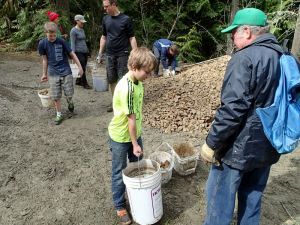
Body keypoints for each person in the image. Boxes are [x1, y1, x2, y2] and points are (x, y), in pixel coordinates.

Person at [200, 8, 282, 225]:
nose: (233, 38)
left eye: (234, 33)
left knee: (219, 204)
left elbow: (233, 108)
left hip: (237, 150)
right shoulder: (284, 56)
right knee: (253, 198)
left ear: (246, 31)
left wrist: (212, 142)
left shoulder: (244, 58)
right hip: (269, 146)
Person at [108, 47, 157, 225]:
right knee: (119, 171)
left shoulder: (138, 83)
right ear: (135, 67)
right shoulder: (127, 87)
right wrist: (135, 144)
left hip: (134, 134)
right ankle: (120, 206)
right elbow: (131, 119)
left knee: (138, 166)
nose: (148, 76)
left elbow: (136, 116)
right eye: (146, 72)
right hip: (121, 137)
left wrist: (136, 140)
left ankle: (135, 194)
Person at [38, 22, 83, 125]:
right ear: (45, 33)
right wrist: (44, 74)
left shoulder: (62, 41)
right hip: (53, 73)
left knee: (69, 92)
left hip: (66, 71)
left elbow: (72, 54)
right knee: (55, 95)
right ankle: (59, 114)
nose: (53, 37)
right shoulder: (42, 44)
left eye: (54, 35)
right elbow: (45, 60)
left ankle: (70, 101)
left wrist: (80, 67)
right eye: (50, 36)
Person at [97, 0, 138, 112]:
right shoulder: (105, 19)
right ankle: (116, 102)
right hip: (109, 54)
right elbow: (104, 37)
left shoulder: (126, 19)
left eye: (106, 6)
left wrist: (135, 54)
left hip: (122, 54)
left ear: (114, 4)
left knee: (123, 79)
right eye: (104, 7)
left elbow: (132, 37)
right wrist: (100, 53)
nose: (105, 9)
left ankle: (124, 103)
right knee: (111, 79)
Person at [70, 15, 92, 89]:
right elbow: (72, 43)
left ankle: (78, 81)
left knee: (84, 67)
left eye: (83, 22)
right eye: (81, 22)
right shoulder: (73, 31)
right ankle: (85, 83)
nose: (83, 23)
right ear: (77, 21)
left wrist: (88, 51)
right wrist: (73, 55)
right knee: (81, 67)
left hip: (84, 51)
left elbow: (84, 41)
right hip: (78, 52)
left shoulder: (82, 30)